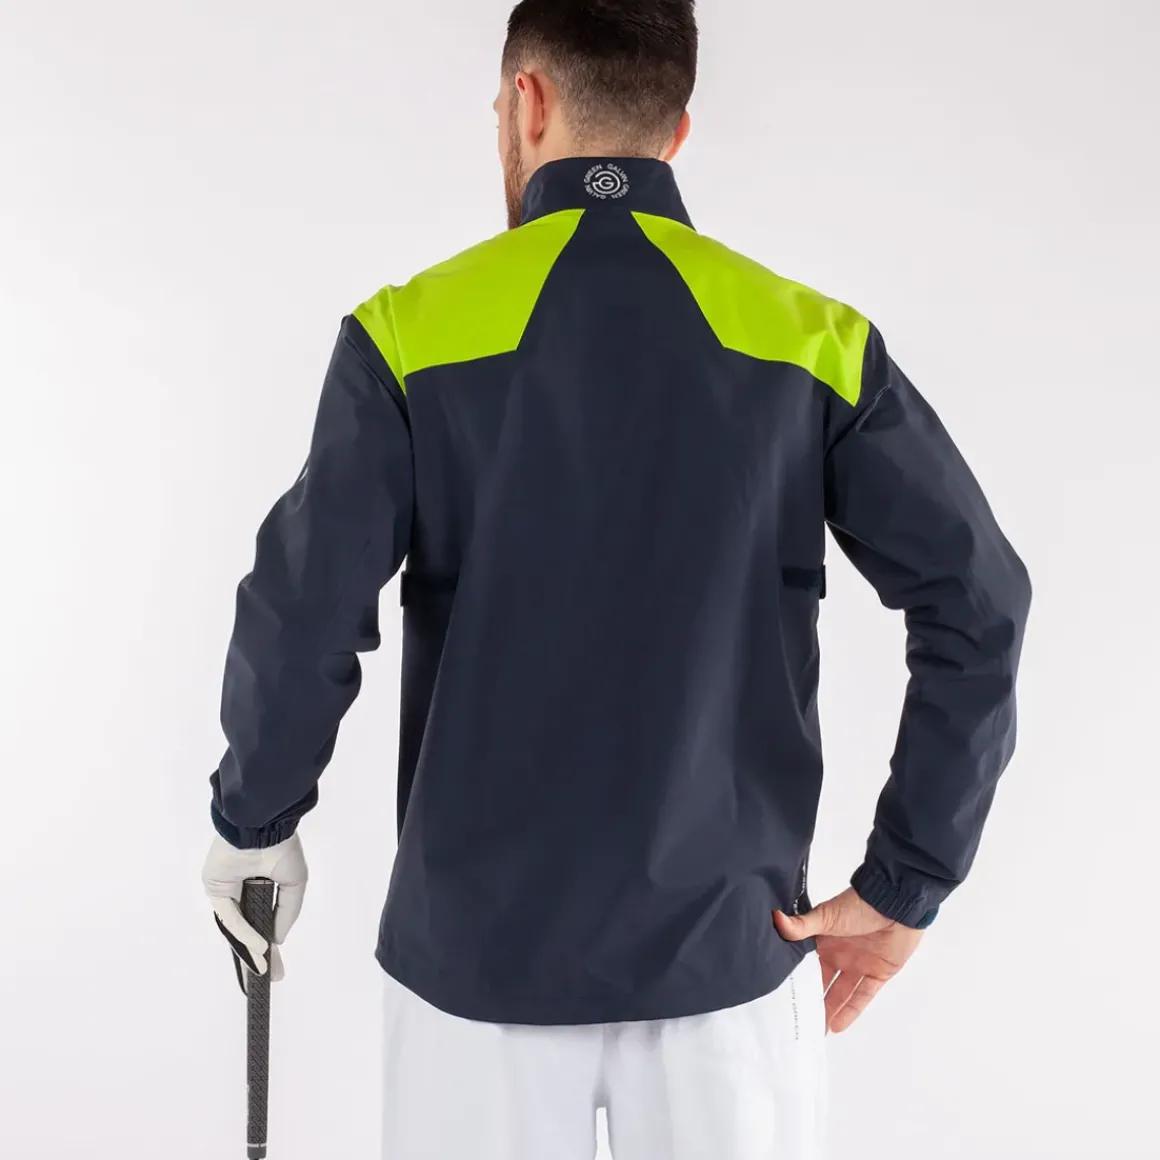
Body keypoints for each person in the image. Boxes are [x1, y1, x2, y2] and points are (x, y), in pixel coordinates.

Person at [201, 1, 1031, 1156]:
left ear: (526, 103)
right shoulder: (810, 339)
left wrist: (253, 824)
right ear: (675, 131)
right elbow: (978, 603)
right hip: (732, 967)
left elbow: (303, 612)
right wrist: (905, 881)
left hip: (473, 979)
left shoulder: (405, 335)